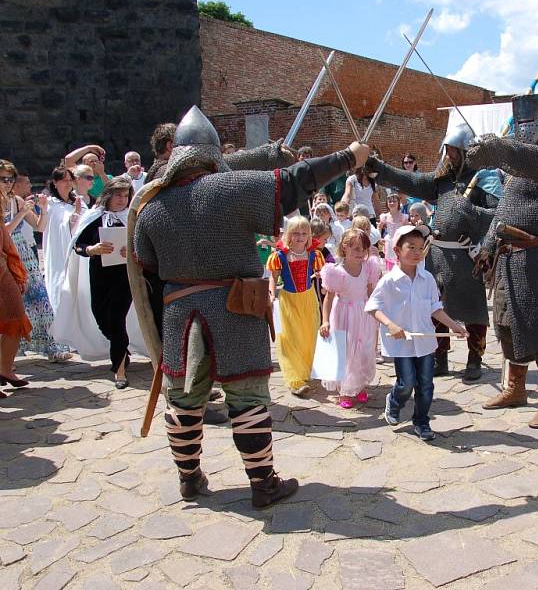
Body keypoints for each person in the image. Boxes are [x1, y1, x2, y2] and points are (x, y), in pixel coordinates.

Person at [131, 105, 369, 507]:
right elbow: (298, 181)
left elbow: (147, 266)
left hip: (179, 316)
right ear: (211, 153)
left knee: (185, 403)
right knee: (248, 401)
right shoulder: (233, 188)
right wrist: (349, 157)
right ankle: (263, 484)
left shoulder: (151, 206)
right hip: (235, 309)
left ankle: (189, 480)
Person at [468, 93, 538, 427]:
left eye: (528, 123)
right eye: (519, 124)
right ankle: (515, 389)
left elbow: (535, 162)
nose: (524, 129)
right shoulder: (516, 170)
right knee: (507, 325)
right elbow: (504, 210)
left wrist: (499, 149)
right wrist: (486, 247)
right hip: (507, 257)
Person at [366, 123, 496, 381]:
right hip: (438, 254)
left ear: (468, 150)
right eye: (448, 150)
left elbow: (498, 214)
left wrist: (470, 211)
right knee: (435, 306)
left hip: (466, 253)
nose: (450, 156)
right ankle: (440, 356)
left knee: (473, 310)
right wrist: (379, 168)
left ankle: (474, 358)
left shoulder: (486, 177)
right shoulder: (443, 180)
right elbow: (412, 180)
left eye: (455, 151)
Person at [366, 225, 467, 440]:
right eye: (410, 247)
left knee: (426, 385)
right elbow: (373, 307)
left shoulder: (428, 279)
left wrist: (455, 325)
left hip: (425, 343)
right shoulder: (388, 281)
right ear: (396, 250)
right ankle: (394, 401)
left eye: (420, 248)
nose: (416, 252)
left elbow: (435, 308)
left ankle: (421, 422)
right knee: (406, 383)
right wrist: (391, 325)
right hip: (402, 344)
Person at [1, 160, 71, 362]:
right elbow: (4, 232)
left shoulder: (16, 201)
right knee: (11, 305)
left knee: (40, 300)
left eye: (10, 179)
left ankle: (50, 346)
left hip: (24, 256)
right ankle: (8, 357)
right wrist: (21, 214)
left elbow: (40, 227)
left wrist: (43, 209)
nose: (8, 183)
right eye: (4, 179)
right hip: (6, 254)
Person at [71, 178, 136, 388]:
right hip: (100, 274)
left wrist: (132, 252)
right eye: (118, 195)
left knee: (117, 320)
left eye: (126, 195)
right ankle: (122, 348)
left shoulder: (131, 218)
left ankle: (119, 370)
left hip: (124, 276)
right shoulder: (94, 217)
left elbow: (145, 246)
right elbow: (78, 245)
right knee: (102, 318)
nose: (122, 200)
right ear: (108, 195)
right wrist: (92, 249)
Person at [319, 228, 381, 408]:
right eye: (355, 249)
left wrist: (375, 312)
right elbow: (328, 299)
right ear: (344, 248)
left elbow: (370, 292)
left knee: (363, 349)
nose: (360, 253)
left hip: (363, 313)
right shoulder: (336, 272)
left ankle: (359, 385)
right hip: (343, 314)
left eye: (363, 249)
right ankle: (344, 390)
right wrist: (325, 321)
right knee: (345, 351)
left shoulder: (368, 267)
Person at [267, 217, 326, 397]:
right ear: (288, 235)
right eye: (295, 233)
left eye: (303, 233)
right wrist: (270, 293)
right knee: (289, 337)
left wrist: (327, 284)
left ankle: (306, 370)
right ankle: (294, 380)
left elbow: (321, 273)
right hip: (289, 300)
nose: (300, 237)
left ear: (308, 235)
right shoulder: (280, 255)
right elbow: (273, 277)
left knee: (308, 334)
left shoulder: (314, 254)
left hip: (308, 298)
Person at [42, 166, 84, 314]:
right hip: (58, 251)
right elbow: (52, 227)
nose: (68, 183)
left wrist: (78, 213)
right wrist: (73, 218)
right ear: (55, 182)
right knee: (60, 284)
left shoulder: (79, 202)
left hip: (77, 250)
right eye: (64, 180)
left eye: (70, 180)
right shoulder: (50, 204)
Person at [0, 222, 32, 392]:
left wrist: (18, 275)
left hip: (3, 275)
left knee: (16, 320)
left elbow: (8, 247)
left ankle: (5, 369)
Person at [378, 191, 409, 271]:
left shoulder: (403, 217)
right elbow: (379, 226)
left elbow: (407, 230)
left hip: (400, 241)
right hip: (389, 241)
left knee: (400, 261)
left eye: (394, 201)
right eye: (390, 201)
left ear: (398, 203)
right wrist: (379, 237)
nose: (392, 203)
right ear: (387, 203)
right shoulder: (385, 216)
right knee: (390, 263)